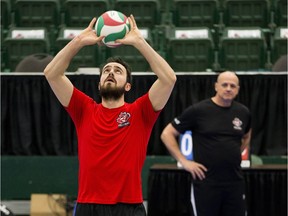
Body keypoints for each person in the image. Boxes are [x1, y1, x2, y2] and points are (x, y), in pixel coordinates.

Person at [44, 15, 176, 216]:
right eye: (106, 70)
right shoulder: (84, 109)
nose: (111, 73)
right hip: (88, 206)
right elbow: (51, 73)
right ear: (99, 84)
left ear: (128, 85)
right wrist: (78, 41)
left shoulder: (140, 111)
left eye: (118, 71)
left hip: (128, 206)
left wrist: (140, 43)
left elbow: (169, 79)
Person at [161, 71, 252, 216]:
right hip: (206, 183)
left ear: (238, 89)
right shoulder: (198, 110)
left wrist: (235, 151)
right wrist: (184, 162)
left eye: (233, 86)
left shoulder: (243, 112)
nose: (228, 88)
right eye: (224, 85)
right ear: (216, 86)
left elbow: (247, 135)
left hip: (235, 182)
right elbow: (167, 134)